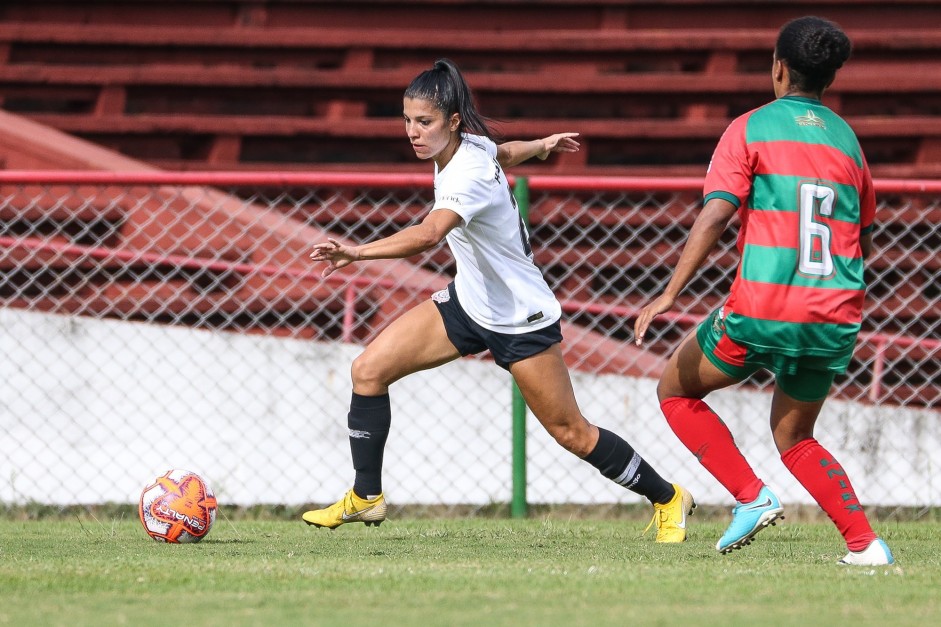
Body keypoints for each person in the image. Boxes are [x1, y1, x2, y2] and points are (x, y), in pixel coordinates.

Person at [303, 58, 694, 541]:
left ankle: (669, 497)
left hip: (518, 318)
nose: (412, 132)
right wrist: (543, 146)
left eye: (423, 122)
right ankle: (366, 498)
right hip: (470, 303)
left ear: (451, 122)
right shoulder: (468, 148)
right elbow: (502, 152)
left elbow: (428, 235)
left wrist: (356, 252)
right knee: (367, 371)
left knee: (571, 432)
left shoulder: (465, 170)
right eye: (406, 120)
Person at [634, 17, 894, 565]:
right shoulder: (848, 139)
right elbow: (863, 232)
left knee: (675, 392)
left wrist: (670, 293)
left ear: (778, 67)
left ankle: (751, 497)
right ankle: (866, 545)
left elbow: (716, 215)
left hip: (764, 305)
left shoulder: (750, 127)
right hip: (833, 312)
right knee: (797, 437)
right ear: (829, 79)